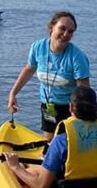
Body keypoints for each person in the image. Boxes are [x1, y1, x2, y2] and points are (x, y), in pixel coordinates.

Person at [7, 11, 90, 140]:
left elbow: (84, 92)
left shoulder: (77, 57)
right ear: (51, 28)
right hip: (48, 105)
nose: (66, 34)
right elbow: (29, 69)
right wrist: (13, 93)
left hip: (71, 108)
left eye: (70, 31)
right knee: (49, 143)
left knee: (66, 145)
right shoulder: (38, 47)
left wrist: (78, 115)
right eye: (62, 28)